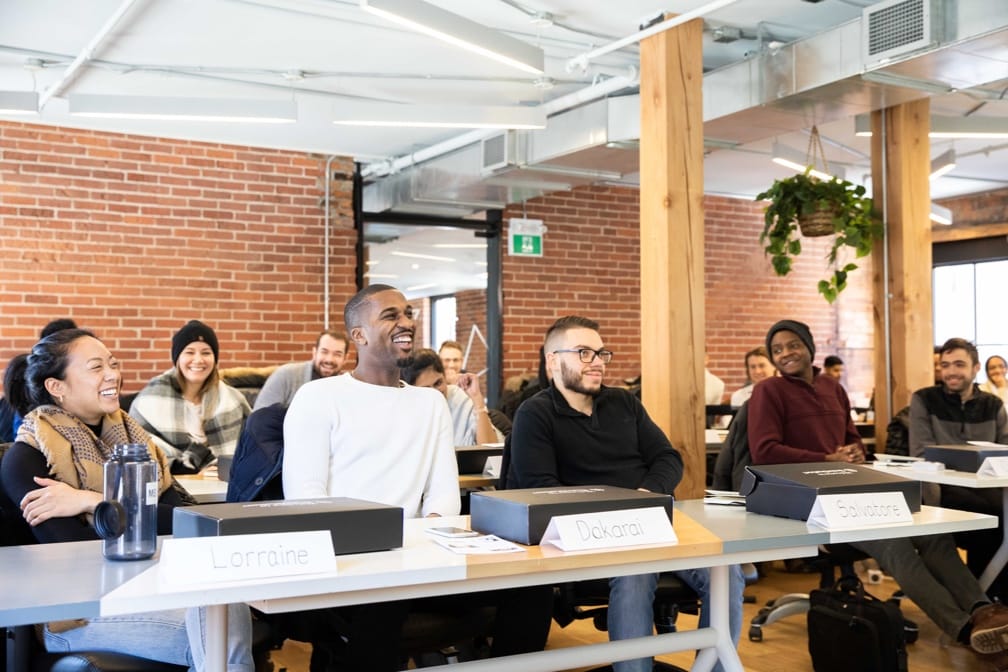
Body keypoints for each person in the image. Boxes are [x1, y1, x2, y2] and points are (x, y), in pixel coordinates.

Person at [282, 285, 550, 670]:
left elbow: (443, 496)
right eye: (391, 316)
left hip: (418, 559)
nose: (406, 322)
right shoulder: (318, 397)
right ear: (358, 335)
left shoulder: (430, 403)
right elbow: (307, 502)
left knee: (532, 588)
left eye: (408, 313)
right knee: (382, 603)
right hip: (349, 567)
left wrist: (429, 548)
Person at [748, 319, 1008, 665]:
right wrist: (827, 457)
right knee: (895, 544)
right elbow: (765, 452)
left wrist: (854, 450)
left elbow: (851, 437)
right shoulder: (768, 391)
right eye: (776, 350)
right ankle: (964, 629)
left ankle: (984, 612)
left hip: (852, 486)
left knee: (932, 534)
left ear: (809, 346)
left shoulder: (832, 388)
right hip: (809, 500)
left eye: (792, 345)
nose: (785, 354)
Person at [0, 328, 252, 671]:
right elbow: (79, 553)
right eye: (96, 367)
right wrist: (131, 512)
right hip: (76, 613)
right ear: (56, 387)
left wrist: (91, 501)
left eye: (113, 364)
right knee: (219, 634)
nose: (113, 375)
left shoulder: (134, 443)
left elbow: (179, 517)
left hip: (150, 588)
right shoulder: (26, 459)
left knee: (224, 605)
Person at [509, 315, 745, 672]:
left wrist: (646, 494)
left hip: (649, 523)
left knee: (727, 572)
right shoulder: (535, 413)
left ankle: (712, 667)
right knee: (637, 572)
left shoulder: (624, 403)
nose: (597, 363)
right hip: (588, 535)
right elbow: (540, 490)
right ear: (553, 360)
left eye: (601, 354)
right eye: (584, 353)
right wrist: (618, 512)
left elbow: (667, 458)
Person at [910, 338, 1008, 600]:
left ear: (976, 368)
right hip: (941, 490)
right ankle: (985, 600)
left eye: (959, 364)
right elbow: (921, 454)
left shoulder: (993, 405)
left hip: (989, 487)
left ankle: (990, 600)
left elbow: (1005, 451)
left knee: (999, 517)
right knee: (994, 520)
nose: (951, 371)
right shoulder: (924, 400)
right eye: (945, 365)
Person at [130, 320, 251, 474]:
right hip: (171, 488)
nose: (198, 360)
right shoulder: (148, 401)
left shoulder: (234, 400)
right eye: (189, 352)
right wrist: (195, 455)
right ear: (177, 358)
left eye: (206, 352)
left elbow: (252, 449)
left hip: (226, 485)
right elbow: (140, 458)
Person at [400, 349, 504, 445]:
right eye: (426, 389)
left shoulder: (460, 397)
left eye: (438, 383)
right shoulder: (405, 412)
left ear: (445, 377)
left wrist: (478, 400)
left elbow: (489, 449)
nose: (436, 392)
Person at [253, 329, 348, 410]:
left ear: (345, 358)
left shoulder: (346, 389)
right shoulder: (285, 375)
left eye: (337, 354)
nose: (329, 359)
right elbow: (258, 418)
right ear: (314, 352)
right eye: (324, 352)